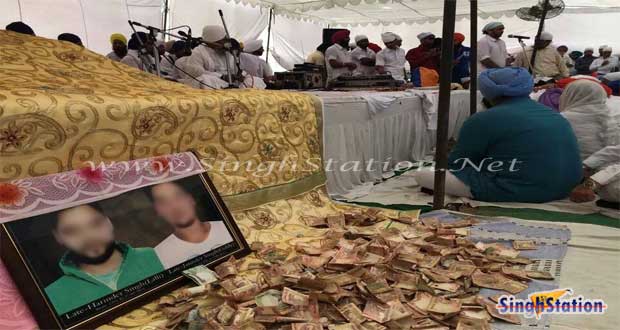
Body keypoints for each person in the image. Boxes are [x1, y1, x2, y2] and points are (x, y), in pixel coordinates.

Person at [414, 67, 582, 203]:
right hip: (565, 187)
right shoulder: (551, 113)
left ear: (487, 92)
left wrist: (445, 154)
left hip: (521, 189)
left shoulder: (483, 119)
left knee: (424, 174)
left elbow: (458, 163)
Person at [45, 204, 164, 315]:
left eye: (95, 224)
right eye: (72, 231)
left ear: (108, 222)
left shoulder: (156, 255)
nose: (89, 236)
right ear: (58, 236)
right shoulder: (51, 296)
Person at [150, 182, 234, 269]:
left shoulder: (229, 228)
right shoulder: (159, 255)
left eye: (178, 197)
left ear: (191, 199)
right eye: (163, 202)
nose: (175, 206)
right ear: (158, 210)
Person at [190, 25, 265, 89]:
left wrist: (240, 75)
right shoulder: (198, 52)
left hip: (231, 82)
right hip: (214, 80)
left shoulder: (226, 51)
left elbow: (235, 70)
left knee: (255, 80)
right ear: (212, 41)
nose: (225, 43)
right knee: (205, 80)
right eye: (222, 41)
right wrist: (221, 76)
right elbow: (197, 73)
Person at [559, 80, 617, 160]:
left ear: (570, 95)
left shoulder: (560, 120)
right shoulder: (611, 116)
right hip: (610, 169)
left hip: (577, 168)